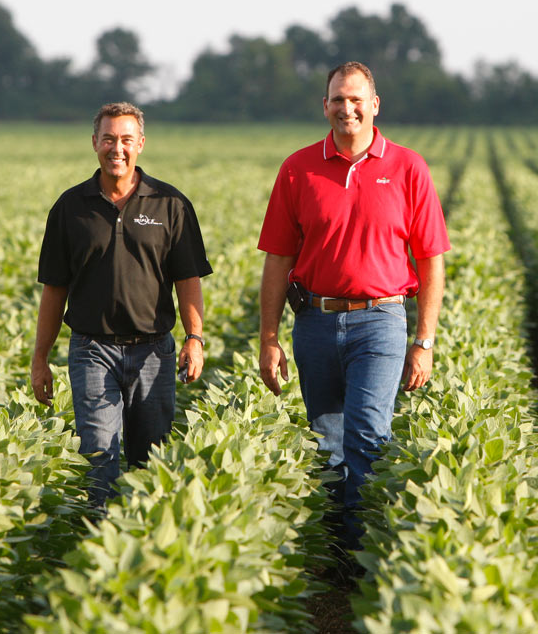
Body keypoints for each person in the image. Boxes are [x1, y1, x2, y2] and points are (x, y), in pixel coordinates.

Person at [258, 62, 450, 549]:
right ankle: (338, 550)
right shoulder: (298, 168)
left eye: (356, 99)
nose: (347, 108)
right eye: (338, 99)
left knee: (367, 434)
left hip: (381, 320)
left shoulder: (408, 167)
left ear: (375, 104)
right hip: (315, 321)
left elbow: (430, 261)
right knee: (327, 442)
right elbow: (278, 258)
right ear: (325, 106)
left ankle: (365, 551)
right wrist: (269, 338)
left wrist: (423, 342)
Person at [31, 102, 212, 506]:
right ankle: (99, 546)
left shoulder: (170, 204)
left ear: (141, 144)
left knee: (152, 462)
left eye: (126, 140)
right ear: (94, 142)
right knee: (99, 458)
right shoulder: (70, 207)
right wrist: (40, 358)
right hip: (92, 350)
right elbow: (54, 289)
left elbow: (188, 279)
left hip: (154, 351)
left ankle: (145, 546)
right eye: (109, 139)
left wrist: (194, 338)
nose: (117, 149)